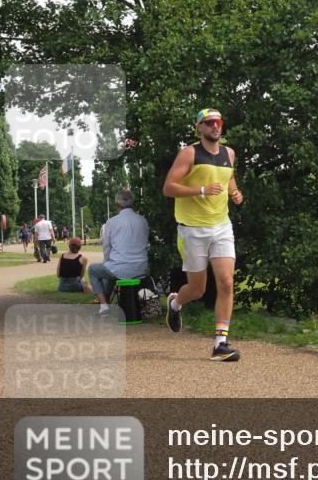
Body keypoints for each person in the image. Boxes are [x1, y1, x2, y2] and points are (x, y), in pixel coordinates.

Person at [162, 107, 244, 362]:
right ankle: (175, 304)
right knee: (197, 289)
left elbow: (227, 176)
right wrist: (200, 190)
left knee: (227, 282)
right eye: (209, 123)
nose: (215, 127)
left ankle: (221, 343)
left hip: (221, 226)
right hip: (192, 228)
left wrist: (234, 192)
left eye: (218, 122)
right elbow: (168, 188)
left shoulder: (229, 153)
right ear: (199, 127)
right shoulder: (190, 153)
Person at [88, 189, 149, 319]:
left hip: (119, 268)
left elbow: (106, 247)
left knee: (94, 270)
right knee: (109, 270)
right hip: (142, 267)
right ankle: (106, 304)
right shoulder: (143, 220)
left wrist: (107, 262)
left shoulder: (111, 222)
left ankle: (104, 305)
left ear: (117, 205)